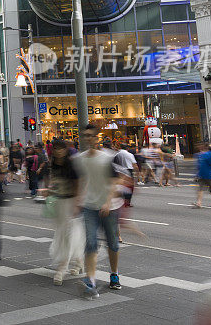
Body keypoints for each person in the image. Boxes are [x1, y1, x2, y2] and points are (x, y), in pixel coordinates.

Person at [73, 125, 121, 298]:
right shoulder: (80, 158)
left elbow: (115, 181)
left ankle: (114, 274)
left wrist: (107, 203)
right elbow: (83, 179)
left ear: (97, 138)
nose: (87, 139)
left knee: (113, 243)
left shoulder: (107, 158)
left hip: (110, 206)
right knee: (91, 243)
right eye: (85, 136)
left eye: (91, 136)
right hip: (89, 206)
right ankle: (90, 281)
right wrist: (78, 200)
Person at [43, 139, 83, 285]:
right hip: (59, 202)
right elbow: (54, 182)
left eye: (61, 148)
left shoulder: (72, 164)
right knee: (63, 233)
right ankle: (79, 262)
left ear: (66, 150)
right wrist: (49, 190)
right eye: (55, 148)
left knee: (68, 235)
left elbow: (78, 184)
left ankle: (62, 268)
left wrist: (77, 203)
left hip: (71, 202)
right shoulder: (52, 164)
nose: (58, 151)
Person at [195, 142, 211, 208]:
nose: (199, 147)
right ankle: (199, 202)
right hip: (202, 175)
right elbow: (199, 165)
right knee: (200, 189)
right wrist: (197, 175)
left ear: (205, 147)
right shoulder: (199, 155)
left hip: (210, 175)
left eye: (201, 145)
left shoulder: (210, 154)